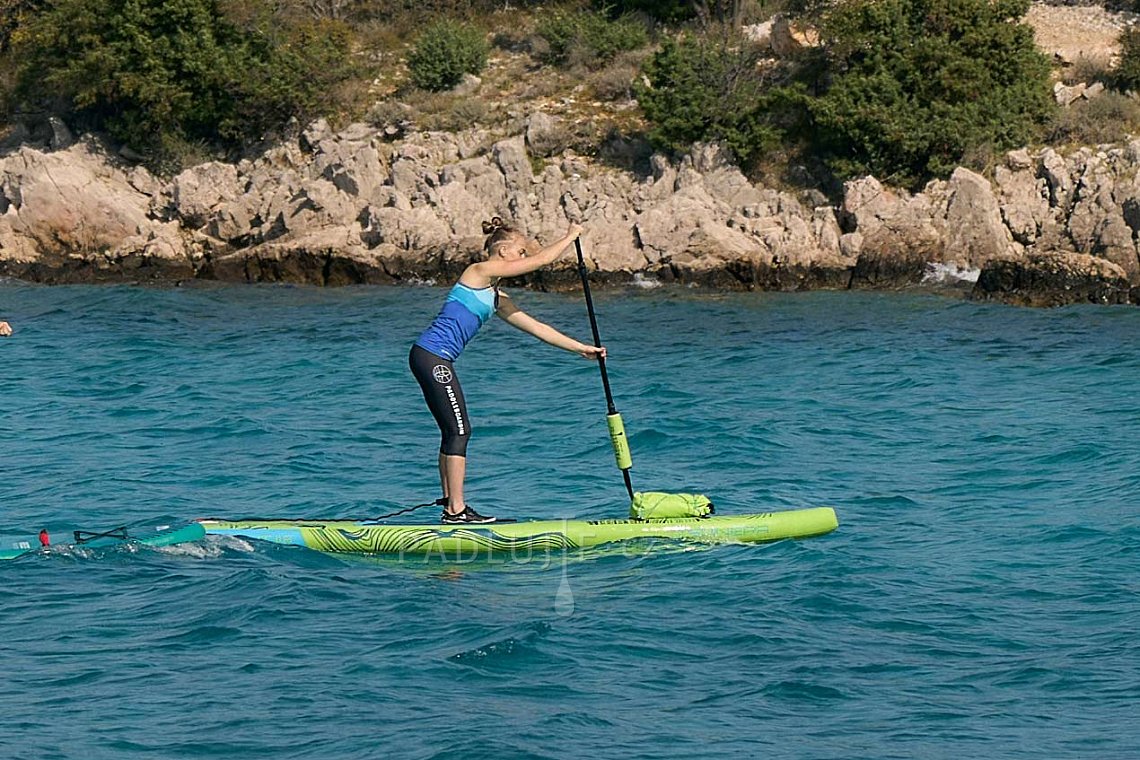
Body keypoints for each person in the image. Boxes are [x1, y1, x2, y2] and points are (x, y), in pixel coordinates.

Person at [409, 217, 606, 524]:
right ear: (502, 251)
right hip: (432, 357)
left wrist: (581, 348)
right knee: (460, 431)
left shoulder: (496, 297)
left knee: (452, 431)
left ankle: (451, 504)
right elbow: (540, 261)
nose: (523, 258)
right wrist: (570, 236)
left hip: (434, 359)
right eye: (520, 252)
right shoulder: (478, 271)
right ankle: (456, 511)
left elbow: (538, 328)